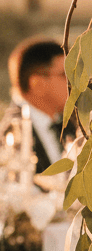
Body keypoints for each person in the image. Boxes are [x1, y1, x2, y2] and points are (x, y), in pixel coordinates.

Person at [7, 37, 70, 172]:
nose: (73, 83)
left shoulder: (70, 124)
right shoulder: (8, 135)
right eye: (65, 75)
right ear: (37, 83)